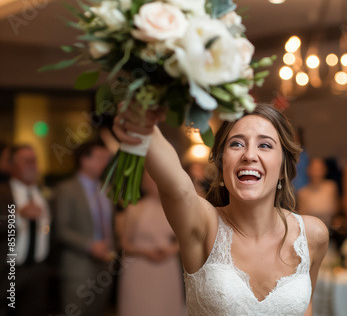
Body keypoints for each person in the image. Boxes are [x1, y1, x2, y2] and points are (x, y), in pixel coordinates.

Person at [114, 103, 329, 315]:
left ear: (283, 168)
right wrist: (143, 125)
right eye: (236, 144)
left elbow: (306, 307)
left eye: (265, 145)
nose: (249, 155)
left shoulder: (313, 235)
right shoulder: (203, 223)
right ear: (221, 163)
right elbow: (177, 187)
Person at [55, 141, 115, 316]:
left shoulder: (107, 189)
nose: (105, 163)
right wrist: (90, 245)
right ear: (84, 160)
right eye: (100, 158)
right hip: (78, 267)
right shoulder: (67, 189)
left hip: (105, 266)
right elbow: (61, 229)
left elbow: (110, 226)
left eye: (107, 158)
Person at [118, 171, 185, 316]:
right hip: (139, 267)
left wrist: (170, 250)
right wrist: (146, 252)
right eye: (151, 180)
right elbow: (124, 243)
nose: (155, 184)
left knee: (165, 308)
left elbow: (183, 239)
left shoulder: (174, 209)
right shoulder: (134, 208)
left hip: (167, 267)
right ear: (144, 183)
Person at [0, 145, 51, 316]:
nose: (32, 165)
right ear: (12, 165)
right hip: (9, 270)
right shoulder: (3, 192)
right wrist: (17, 214)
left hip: (38, 269)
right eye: (26, 161)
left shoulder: (42, 193)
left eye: (34, 160)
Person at [297, 157, 338, 228]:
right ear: (308, 170)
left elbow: (337, 210)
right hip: (312, 230)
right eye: (314, 169)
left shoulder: (331, 187)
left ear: (325, 170)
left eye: (319, 169)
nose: (317, 173)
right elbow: (302, 217)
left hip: (331, 229)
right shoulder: (302, 193)